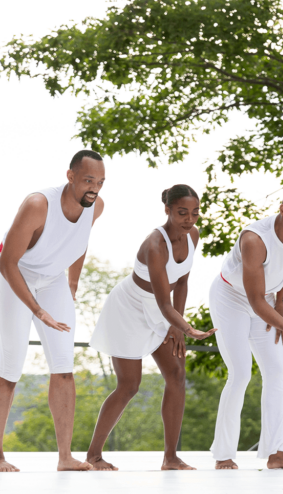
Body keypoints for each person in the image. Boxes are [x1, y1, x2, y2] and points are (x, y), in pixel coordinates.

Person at [86, 185, 217, 471]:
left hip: (164, 310)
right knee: (129, 385)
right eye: (182, 212)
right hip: (131, 309)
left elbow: (181, 282)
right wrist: (186, 327)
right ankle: (93, 455)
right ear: (167, 210)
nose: (189, 219)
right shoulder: (155, 245)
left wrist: (178, 327)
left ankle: (171, 458)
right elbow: (163, 303)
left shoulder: (193, 236)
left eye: (195, 213)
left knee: (177, 373)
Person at [0, 150, 106, 473]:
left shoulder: (96, 206)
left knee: (63, 366)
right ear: (70, 176)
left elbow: (79, 239)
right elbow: (6, 262)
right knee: (9, 369)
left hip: (53, 281)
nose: (95, 189)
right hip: (14, 278)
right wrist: (37, 310)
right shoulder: (38, 205)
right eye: (89, 180)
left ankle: (65, 457)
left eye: (100, 182)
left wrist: (72, 282)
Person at [209, 184, 283, 470]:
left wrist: (281, 305)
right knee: (240, 373)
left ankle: (276, 453)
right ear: (282, 210)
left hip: (268, 301)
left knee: (276, 370)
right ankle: (223, 454)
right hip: (231, 298)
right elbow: (255, 300)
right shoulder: (254, 239)